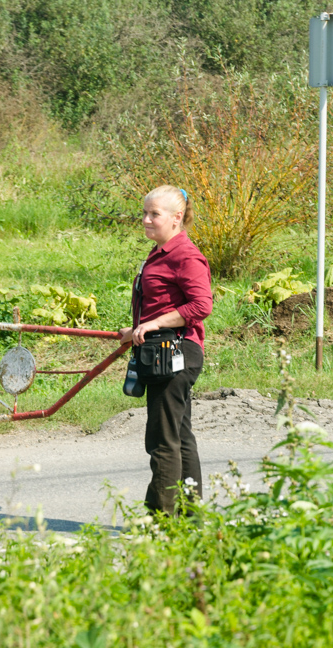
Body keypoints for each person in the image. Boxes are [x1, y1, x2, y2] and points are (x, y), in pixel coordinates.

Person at [118, 185, 213, 515]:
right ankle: (190, 517)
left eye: (153, 214)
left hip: (174, 353)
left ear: (176, 218)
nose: (145, 220)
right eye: (144, 213)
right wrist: (136, 330)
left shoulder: (185, 256)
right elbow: (160, 305)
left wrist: (155, 324)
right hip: (160, 349)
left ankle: (162, 520)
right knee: (179, 436)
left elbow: (201, 304)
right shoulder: (160, 253)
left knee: (162, 440)